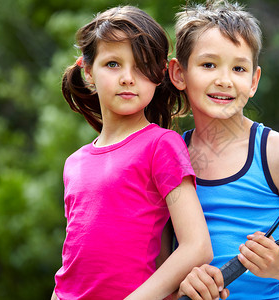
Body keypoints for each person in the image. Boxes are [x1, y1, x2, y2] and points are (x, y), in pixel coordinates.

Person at [168, 1, 279, 299]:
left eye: (238, 68)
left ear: (254, 81)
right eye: (208, 64)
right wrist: (180, 285)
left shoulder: (278, 154)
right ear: (179, 73)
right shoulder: (168, 155)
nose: (224, 79)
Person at [51, 5, 212, 300]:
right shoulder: (74, 163)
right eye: (113, 64)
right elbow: (72, 264)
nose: (127, 77)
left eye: (141, 66)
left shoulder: (161, 145)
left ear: (160, 75)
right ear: (87, 70)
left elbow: (197, 246)